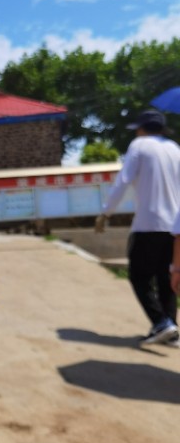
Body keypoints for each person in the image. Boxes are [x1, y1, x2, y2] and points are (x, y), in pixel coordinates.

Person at [95, 108, 180, 346]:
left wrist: (106, 212)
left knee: (139, 277)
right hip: (175, 226)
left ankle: (161, 323)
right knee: (167, 278)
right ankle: (171, 329)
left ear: (142, 129)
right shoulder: (175, 149)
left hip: (148, 224)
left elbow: (123, 180)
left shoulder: (139, 146)